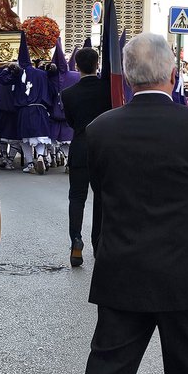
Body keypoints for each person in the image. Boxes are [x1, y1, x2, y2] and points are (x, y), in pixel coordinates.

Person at [82, 33, 188, 374]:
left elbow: (104, 191)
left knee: (108, 373)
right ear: (172, 73)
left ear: (127, 77)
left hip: (123, 267)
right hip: (187, 273)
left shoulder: (99, 130)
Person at [60, 47, 110, 268]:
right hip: (103, 148)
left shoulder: (68, 94)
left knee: (77, 198)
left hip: (80, 147)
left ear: (76, 66)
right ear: (97, 64)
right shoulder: (107, 89)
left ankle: (76, 241)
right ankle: (98, 243)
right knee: (101, 198)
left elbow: (71, 122)